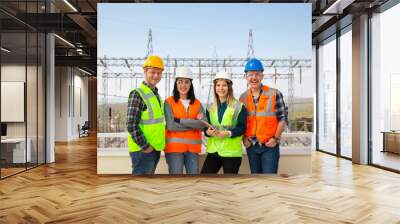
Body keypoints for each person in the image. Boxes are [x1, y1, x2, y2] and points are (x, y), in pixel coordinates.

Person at [239, 58, 288, 174]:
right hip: (251, 146)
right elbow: (240, 122)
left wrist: (275, 139)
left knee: (269, 180)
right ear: (246, 77)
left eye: (257, 74)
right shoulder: (243, 98)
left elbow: (283, 119)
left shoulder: (274, 94)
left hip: (269, 146)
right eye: (250, 74)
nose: (253, 78)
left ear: (262, 76)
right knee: (256, 180)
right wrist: (243, 139)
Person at [201, 71, 247, 174]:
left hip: (231, 153)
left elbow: (242, 128)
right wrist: (207, 132)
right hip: (214, 151)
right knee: (204, 179)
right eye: (218, 85)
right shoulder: (210, 107)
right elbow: (205, 128)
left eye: (224, 85)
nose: (221, 88)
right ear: (214, 87)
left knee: (229, 185)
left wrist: (228, 133)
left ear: (229, 87)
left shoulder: (239, 107)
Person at [164, 67, 208, 174]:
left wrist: (180, 120)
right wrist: (194, 123)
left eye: (186, 82)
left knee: (193, 182)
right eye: (180, 82)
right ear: (176, 84)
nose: (183, 85)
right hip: (174, 149)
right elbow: (171, 126)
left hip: (192, 150)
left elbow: (203, 124)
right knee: (176, 182)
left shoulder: (197, 104)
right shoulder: (168, 102)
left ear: (190, 84)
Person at [126, 55, 165, 175]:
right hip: (143, 150)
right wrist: (145, 146)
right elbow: (131, 125)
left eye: (159, 73)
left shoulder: (156, 96)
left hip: (154, 149)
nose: (156, 76)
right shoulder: (137, 94)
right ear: (145, 71)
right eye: (153, 72)